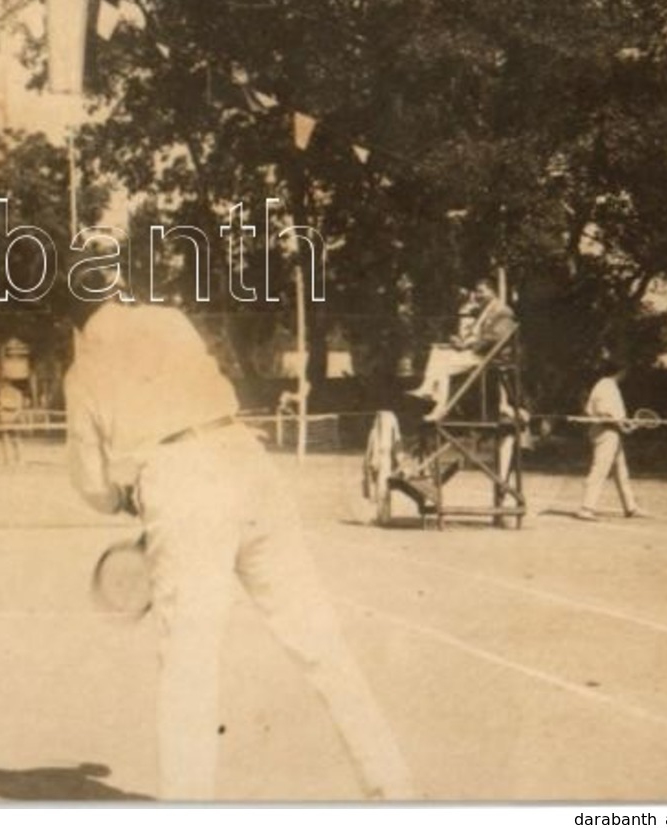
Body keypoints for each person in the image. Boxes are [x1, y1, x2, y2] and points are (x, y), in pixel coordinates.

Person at [66, 298, 413, 801]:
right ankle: (394, 788)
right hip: (245, 459)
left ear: (70, 319)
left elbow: (93, 485)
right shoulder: (169, 319)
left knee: (189, 662)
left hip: (180, 484)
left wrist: (122, 496)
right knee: (319, 639)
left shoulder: (83, 372)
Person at [408, 278, 516, 420]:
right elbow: (476, 335)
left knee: (443, 365)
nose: (478, 296)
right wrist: (461, 342)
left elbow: (494, 338)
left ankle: (440, 409)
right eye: (476, 292)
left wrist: (467, 346)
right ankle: (428, 390)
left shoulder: (502, 311)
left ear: (493, 291)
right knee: (437, 352)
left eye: (481, 292)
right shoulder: (485, 310)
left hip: (488, 356)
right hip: (477, 352)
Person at [576, 359, 646, 522]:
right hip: (605, 433)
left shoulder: (608, 385)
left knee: (621, 472)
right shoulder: (606, 386)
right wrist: (623, 426)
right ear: (620, 371)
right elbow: (605, 414)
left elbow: (613, 416)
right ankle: (586, 508)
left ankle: (631, 507)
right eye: (625, 371)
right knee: (600, 469)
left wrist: (624, 426)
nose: (626, 374)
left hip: (611, 432)